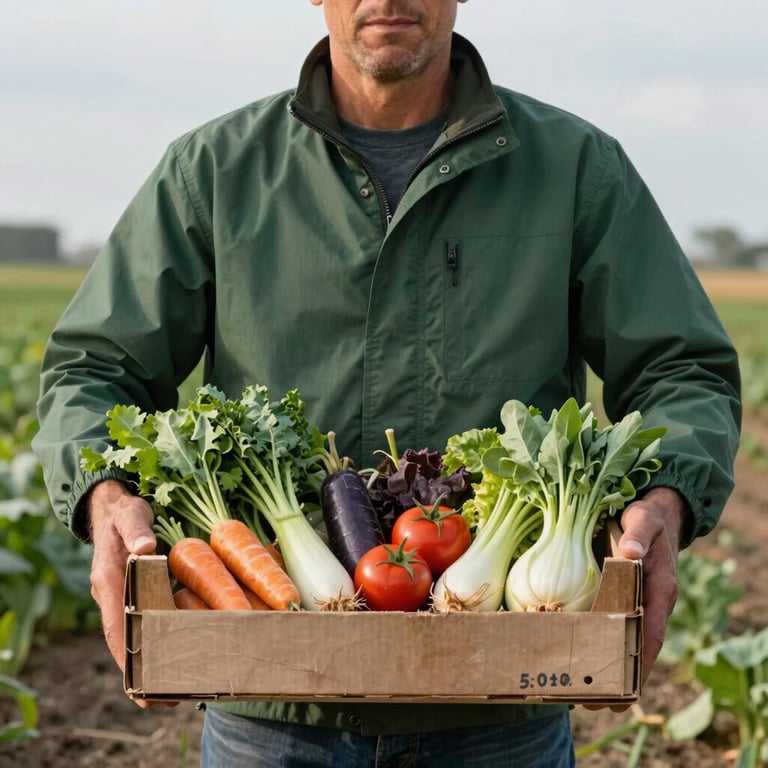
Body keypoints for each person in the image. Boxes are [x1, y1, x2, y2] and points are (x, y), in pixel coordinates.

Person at [33, 1, 741, 766]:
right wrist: (104, 490)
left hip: (500, 701)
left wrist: (666, 494)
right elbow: (95, 367)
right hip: (272, 710)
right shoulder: (214, 170)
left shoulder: (573, 168)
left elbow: (683, 367)